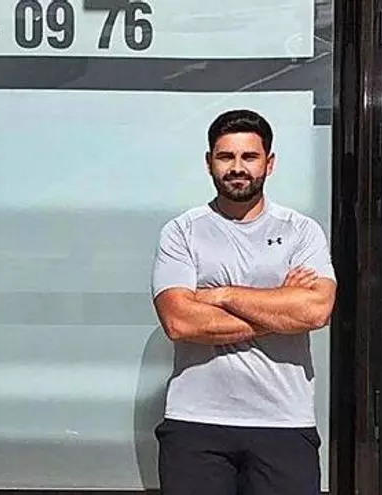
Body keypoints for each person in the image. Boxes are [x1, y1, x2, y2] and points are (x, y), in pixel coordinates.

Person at [149, 109, 337, 494]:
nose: (237, 168)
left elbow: (316, 311)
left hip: (284, 421)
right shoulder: (182, 232)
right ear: (209, 163)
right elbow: (180, 322)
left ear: (269, 163)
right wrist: (280, 307)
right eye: (226, 157)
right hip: (196, 423)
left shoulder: (301, 231)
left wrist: (222, 295)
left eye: (249, 157)